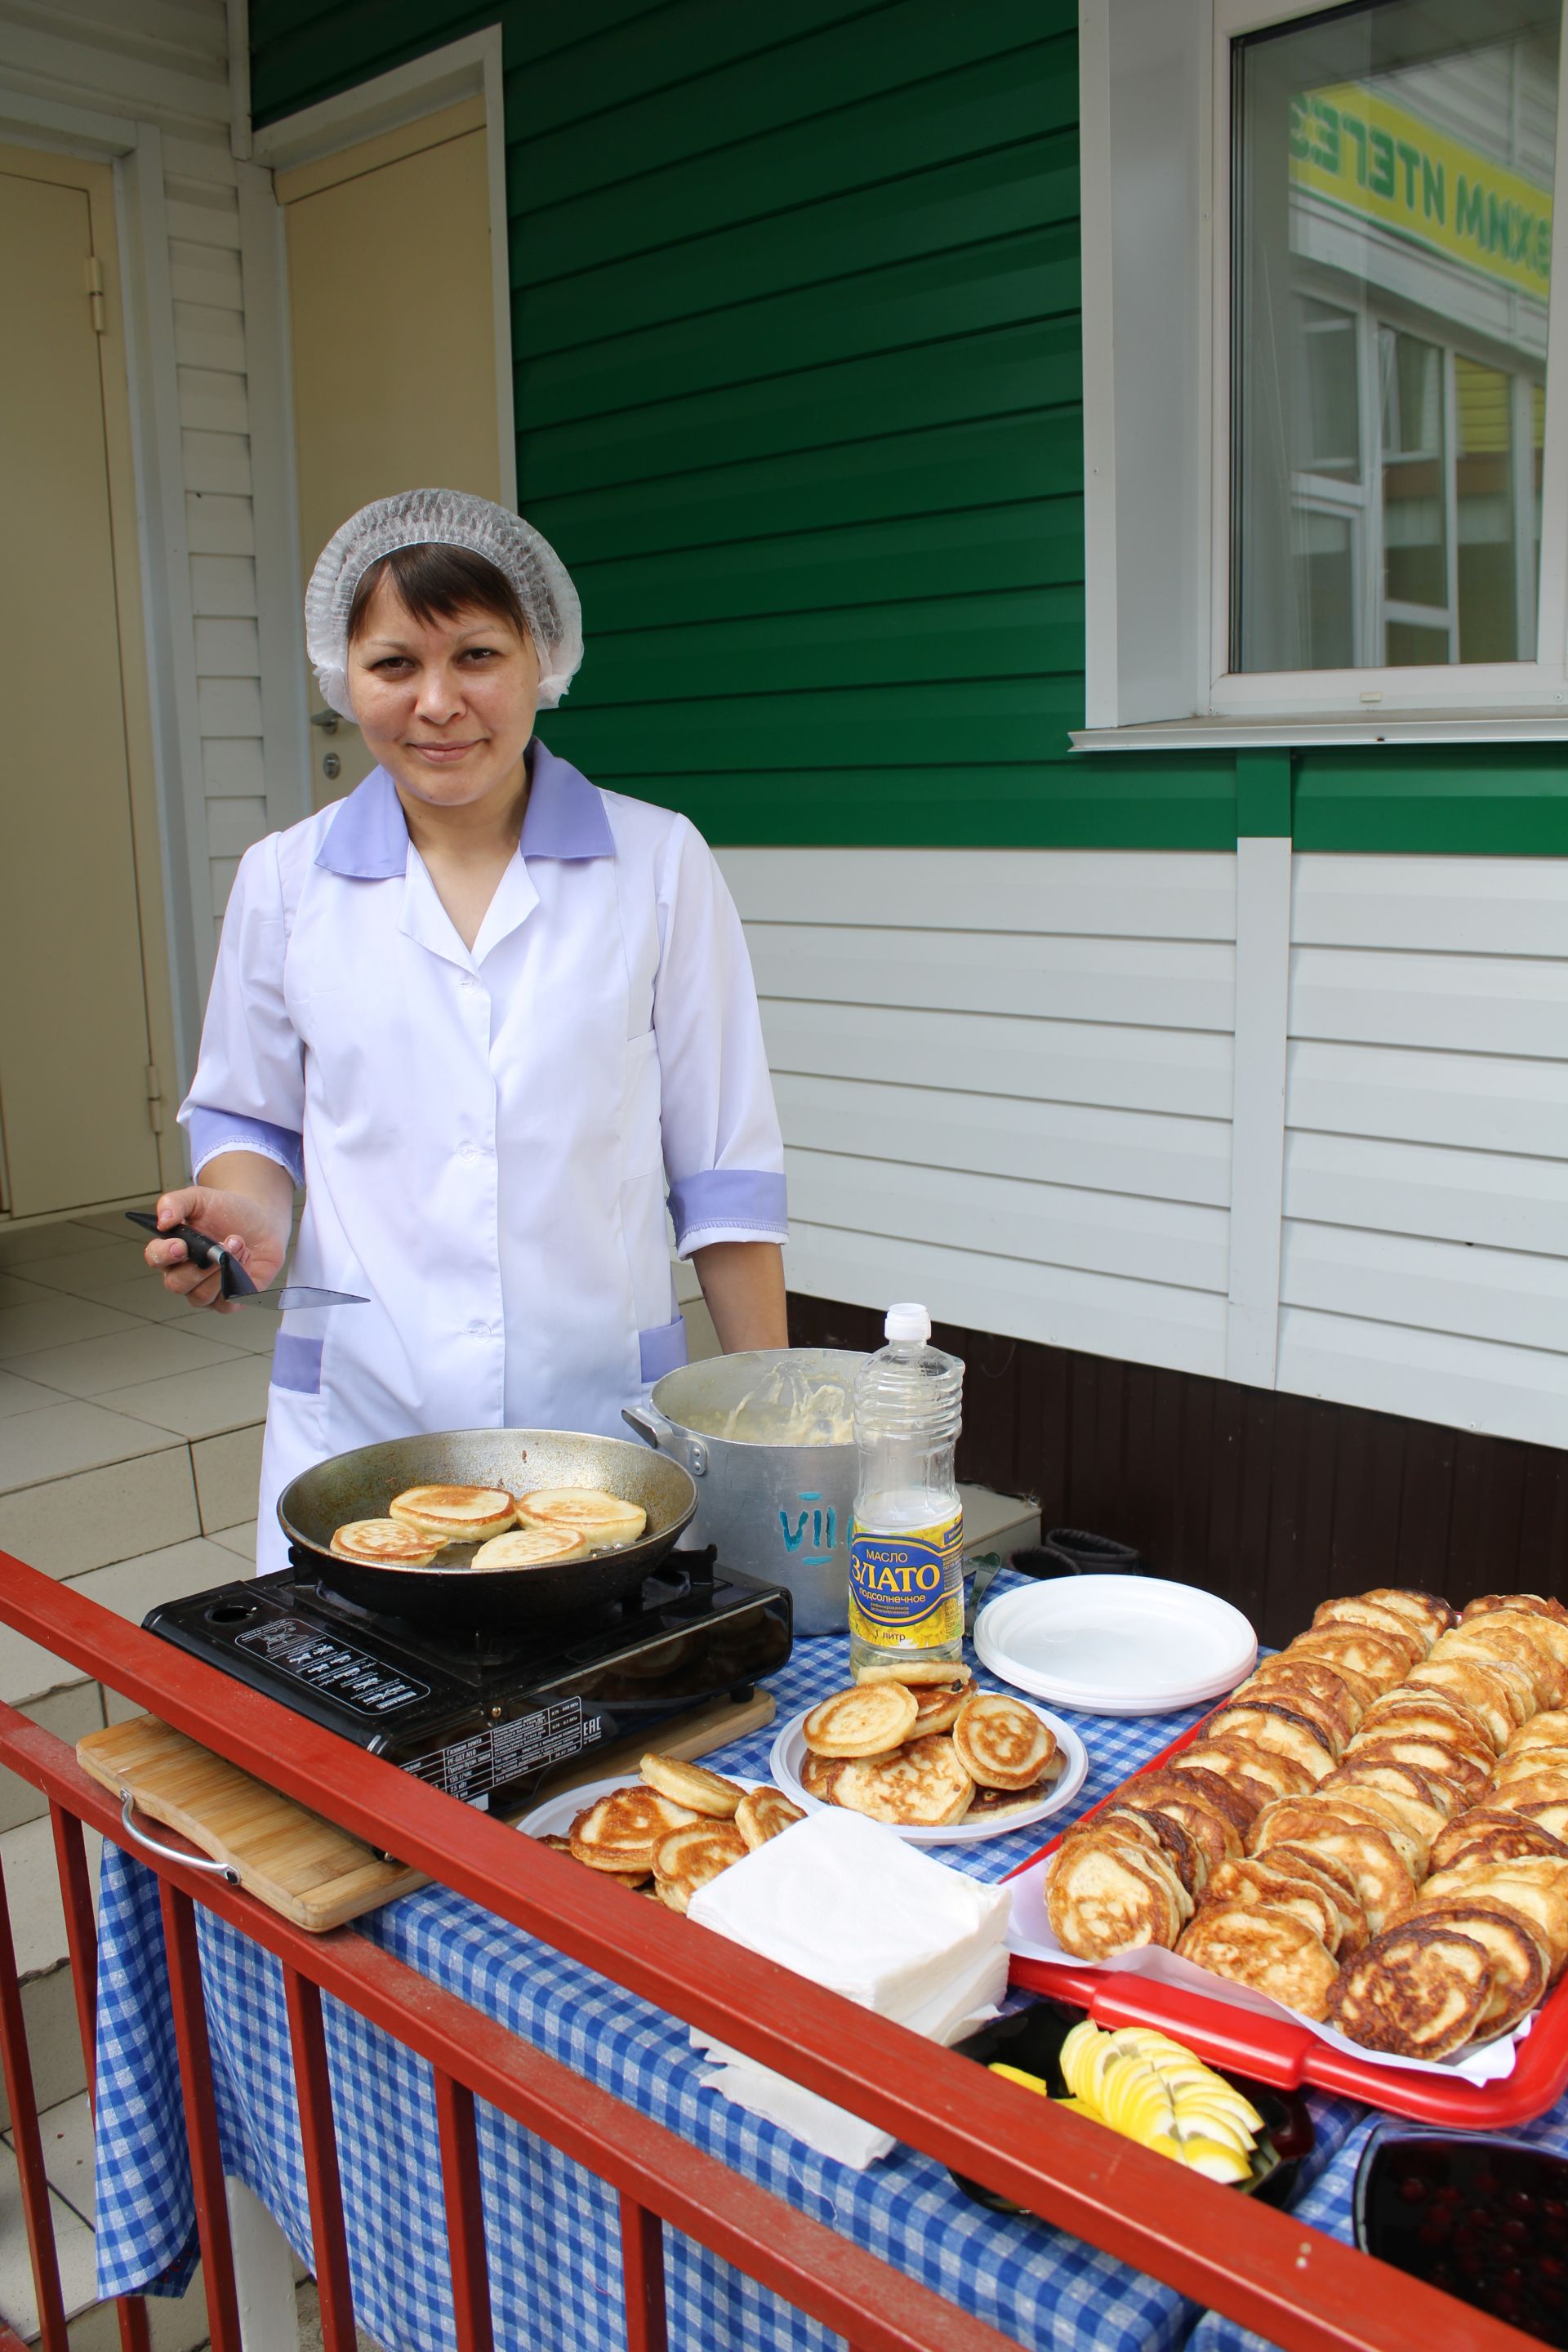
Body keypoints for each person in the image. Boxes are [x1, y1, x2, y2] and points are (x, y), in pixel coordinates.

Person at [143, 488, 787, 1575]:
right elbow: (251, 1117)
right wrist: (241, 1213)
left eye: (478, 655)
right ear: (341, 676)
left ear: (545, 658)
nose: (438, 703)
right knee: (353, 1721)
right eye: (394, 665)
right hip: (363, 1419)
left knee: (598, 1722)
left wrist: (770, 1448)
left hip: (598, 1426)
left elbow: (724, 1175)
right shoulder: (285, 882)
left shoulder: (660, 865)